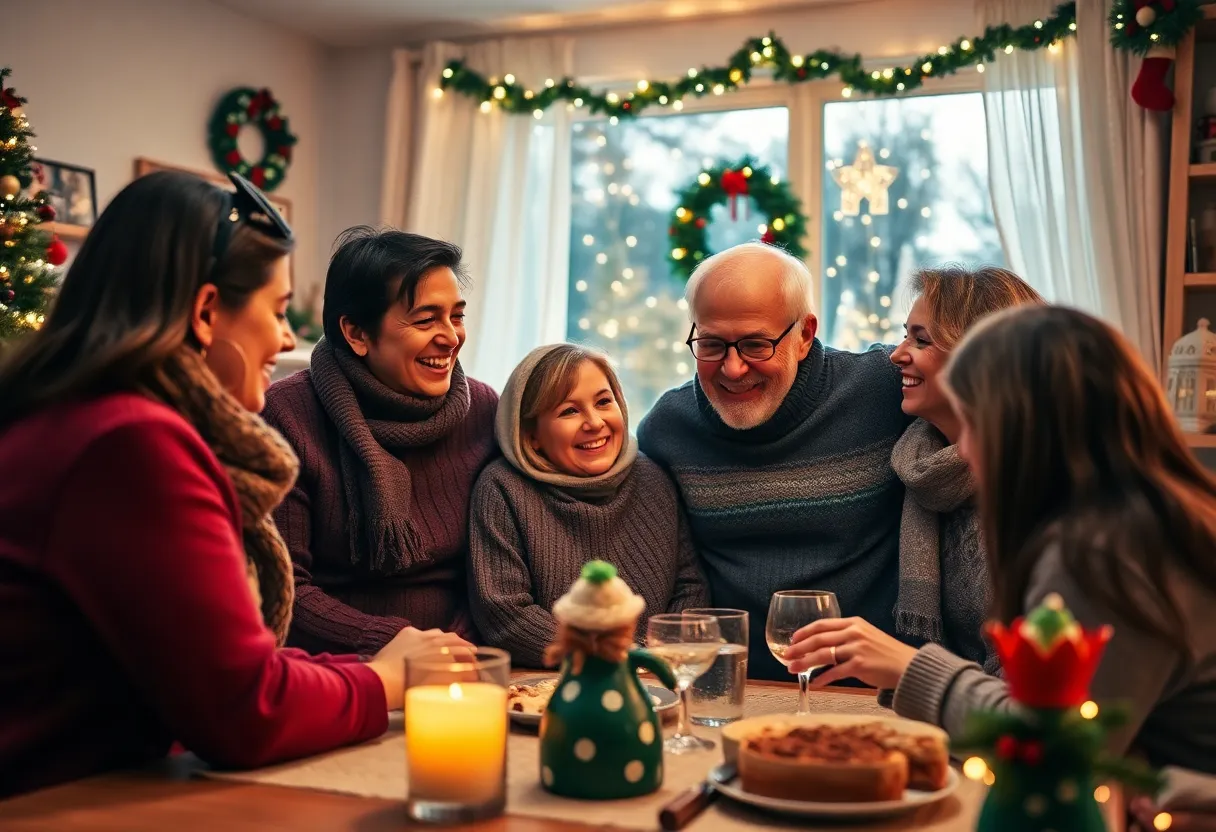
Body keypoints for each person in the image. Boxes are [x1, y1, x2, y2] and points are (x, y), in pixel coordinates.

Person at [0, 171, 467, 799]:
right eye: (277, 312)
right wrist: (387, 680)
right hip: (53, 799)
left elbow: (222, 664)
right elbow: (244, 709)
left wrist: (369, 669)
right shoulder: (132, 445)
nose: (287, 338)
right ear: (206, 312)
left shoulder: (86, 416)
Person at [785, 306, 1216, 775]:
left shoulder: (1111, 550)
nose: (964, 449)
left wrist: (909, 667)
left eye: (973, 423)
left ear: (1029, 423)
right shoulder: (1138, 517)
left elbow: (1056, 751)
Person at [637, 241, 910, 680]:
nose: (733, 368)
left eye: (754, 345)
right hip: (735, 691)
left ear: (803, 335)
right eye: (710, 344)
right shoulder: (668, 428)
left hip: (872, 692)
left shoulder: (882, 389)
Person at [262, 227, 498, 656]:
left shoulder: (483, 410)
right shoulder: (287, 413)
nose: (450, 337)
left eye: (457, 316)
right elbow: (281, 587)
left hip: (465, 662)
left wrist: (454, 647)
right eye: (426, 319)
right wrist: (393, 643)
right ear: (356, 334)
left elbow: (496, 569)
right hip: (341, 666)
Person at [468, 344, 708, 668]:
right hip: (547, 685)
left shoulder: (654, 479)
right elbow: (505, 613)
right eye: (569, 411)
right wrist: (616, 656)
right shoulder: (502, 489)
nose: (594, 422)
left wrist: (656, 656)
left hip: (657, 678)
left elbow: (689, 588)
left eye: (603, 402)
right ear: (531, 434)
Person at [888, 266, 1043, 672]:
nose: (897, 354)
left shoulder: (1039, 489)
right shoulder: (924, 463)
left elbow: (1031, 688)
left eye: (921, 340)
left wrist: (904, 668)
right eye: (905, 334)